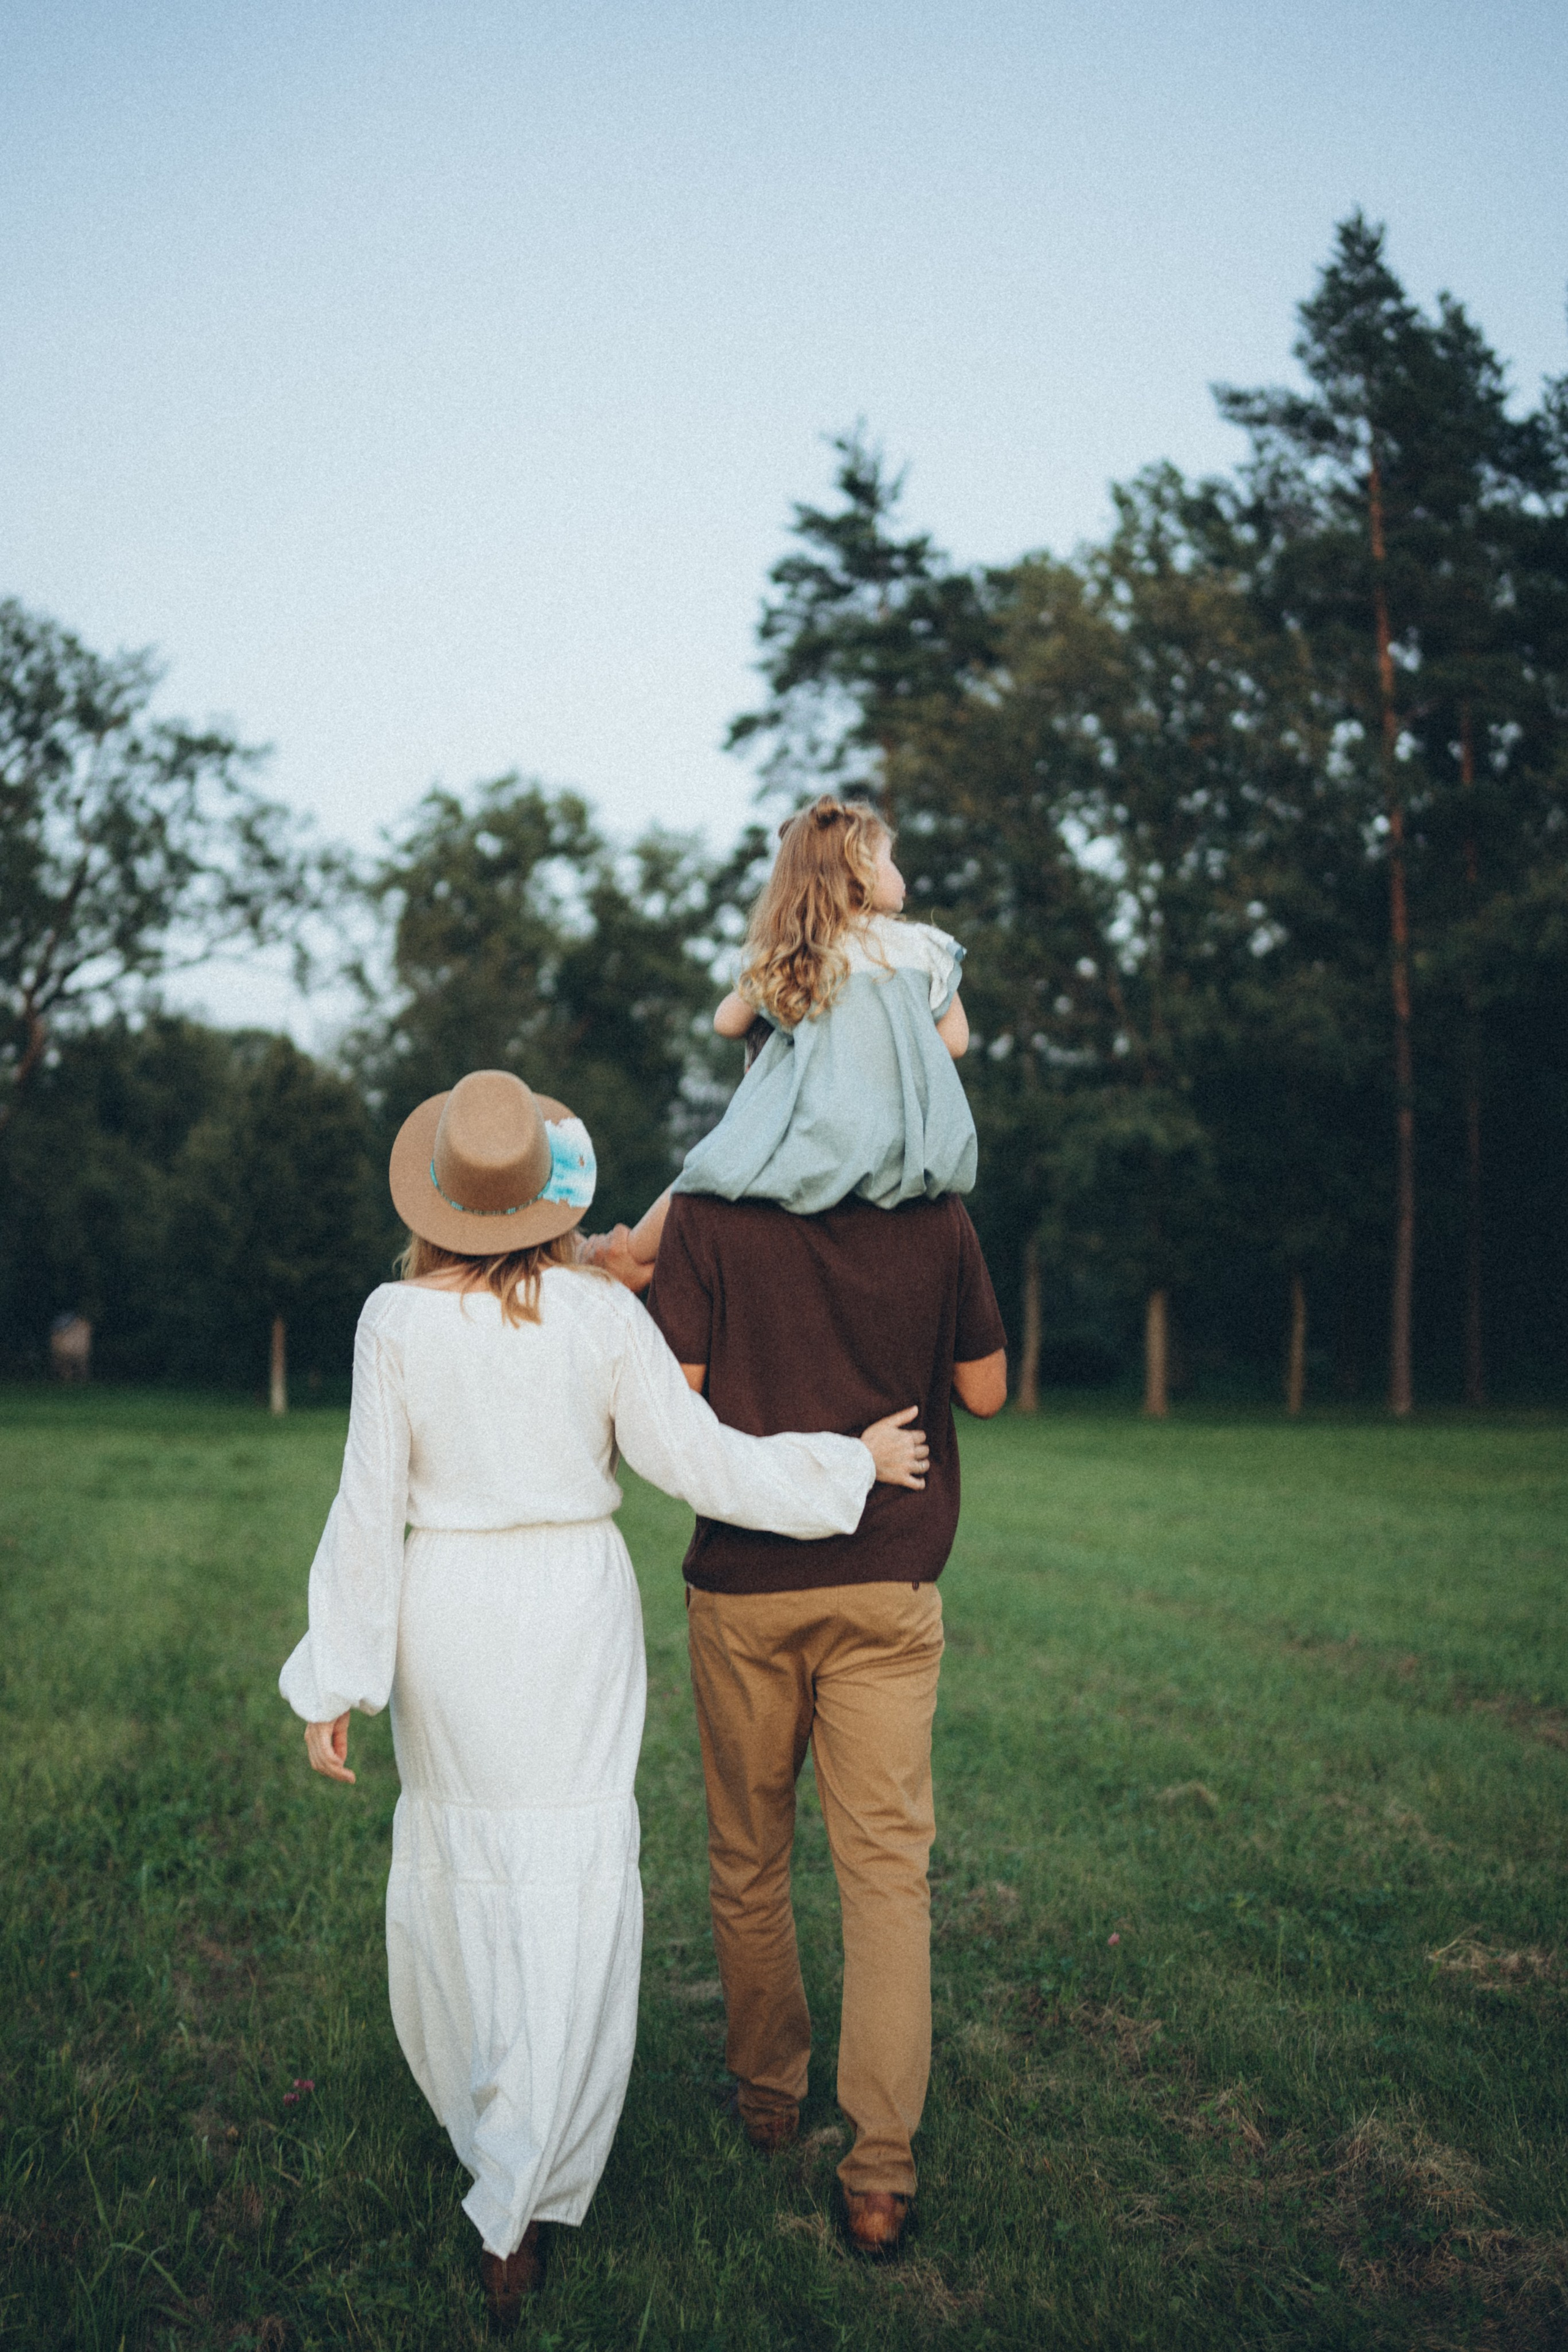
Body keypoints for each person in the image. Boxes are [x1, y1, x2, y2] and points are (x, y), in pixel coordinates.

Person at [278, 1069, 929, 2329]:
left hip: (450, 1616)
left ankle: (501, 2164)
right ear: (547, 1196)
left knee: (473, 1866)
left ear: (441, 1201)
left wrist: (338, 1673)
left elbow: (366, 1505)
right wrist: (850, 1458)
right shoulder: (596, 1321)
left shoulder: (390, 1319)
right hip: (570, 1611)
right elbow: (703, 1463)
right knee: (564, 1870)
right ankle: (532, 2170)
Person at [593, 1181, 1008, 2257]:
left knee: (749, 1853)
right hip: (890, 1576)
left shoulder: (710, 1215)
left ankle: (770, 2094)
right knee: (885, 1874)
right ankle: (879, 2172)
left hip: (746, 1582)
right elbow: (989, 1389)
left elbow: (678, 1392)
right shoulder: (939, 1216)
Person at [610, 796, 977, 1270]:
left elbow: (727, 1023)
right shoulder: (924, 947)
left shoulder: (801, 954)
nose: (901, 876)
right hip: (904, 1150)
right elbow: (956, 1042)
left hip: (817, 1140)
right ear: (857, 870)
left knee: (713, 1162)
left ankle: (631, 1256)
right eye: (890, 861)